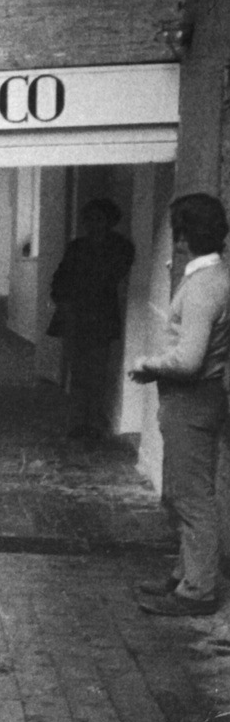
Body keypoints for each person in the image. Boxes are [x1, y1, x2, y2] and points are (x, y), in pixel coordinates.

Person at [130, 192, 230, 618]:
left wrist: (148, 364)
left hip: (192, 401)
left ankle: (197, 591)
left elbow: (188, 361)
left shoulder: (205, 286)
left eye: (177, 231)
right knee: (180, 494)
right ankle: (184, 573)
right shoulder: (211, 277)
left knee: (191, 499)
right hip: (195, 402)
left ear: (186, 235)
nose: (175, 240)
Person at [48, 197, 136, 440]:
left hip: (101, 315)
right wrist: (62, 299)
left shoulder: (120, 247)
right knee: (78, 370)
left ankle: (94, 422)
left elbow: (110, 277)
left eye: (99, 219)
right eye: (89, 219)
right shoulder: (77, 246)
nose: (93, 224)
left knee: (97, 371)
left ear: (109, 221)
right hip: (77, 314)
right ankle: (78, 422)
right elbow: (61, 276)